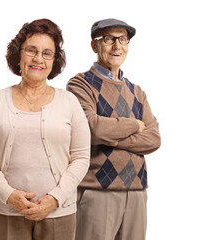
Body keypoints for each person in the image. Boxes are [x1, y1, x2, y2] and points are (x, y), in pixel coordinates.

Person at [0, 18, 90, 240]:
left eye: (47, 53)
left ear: (54, 60)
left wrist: (55, 198)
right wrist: (8, 195)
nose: (38, 58)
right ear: (18, 55)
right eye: (31, 50)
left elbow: (82, 157)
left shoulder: (70, 102)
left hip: (59, 212)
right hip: (6, 211)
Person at [66, 18, 161, 240]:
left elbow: (154, 139)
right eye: (108, 39)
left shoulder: (137, 92)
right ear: (94, 45)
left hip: (137, 190)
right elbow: (93, 128)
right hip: (98, 191)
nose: (117, 46)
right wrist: (135, 125)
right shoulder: (80, 84)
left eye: (123, 39)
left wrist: (113, 138)